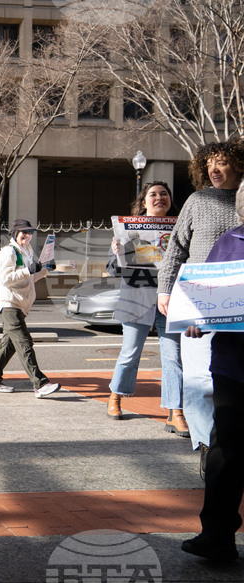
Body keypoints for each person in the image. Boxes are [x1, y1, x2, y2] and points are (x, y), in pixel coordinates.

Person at [158, 141, 244, 478]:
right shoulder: (197, 201)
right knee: (196, 380)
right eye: (209, 164)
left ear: (238, 165)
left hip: (237, 306)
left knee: (226, 380)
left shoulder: (241, 201)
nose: (214, 169)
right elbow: (175, 251)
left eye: (222, 162)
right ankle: (207, 447)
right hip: (199, 300)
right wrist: (165, 290)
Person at [181, 179, 244, 562]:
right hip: (233, 365)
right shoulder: (229, 242)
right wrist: (196, 318)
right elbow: (205, 297)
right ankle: (217, 536)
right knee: (226, 451)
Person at [105, 182, 184, 431]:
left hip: (171, 300)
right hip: (137, 296)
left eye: (164, 194)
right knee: (130, 352)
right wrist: (118, 252)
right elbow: (113, 269)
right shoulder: (128, 230)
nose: (159, 198)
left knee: (173, 357)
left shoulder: (181, 228)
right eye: (153, 194)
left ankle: (175, 410)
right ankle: (115, 396)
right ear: (144, 202)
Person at [0, 219, 61, 397]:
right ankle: (40, 384)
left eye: (30, 232)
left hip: (20, 303)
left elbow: (28, 278)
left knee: (8, 344)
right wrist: (28, 270)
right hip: (9, 303)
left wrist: (45, 269)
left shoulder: (26, 251)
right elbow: (5, 279)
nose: (27, 235)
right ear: (15, 234)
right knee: (24, 342)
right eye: (23, 232)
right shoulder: (9, 252)